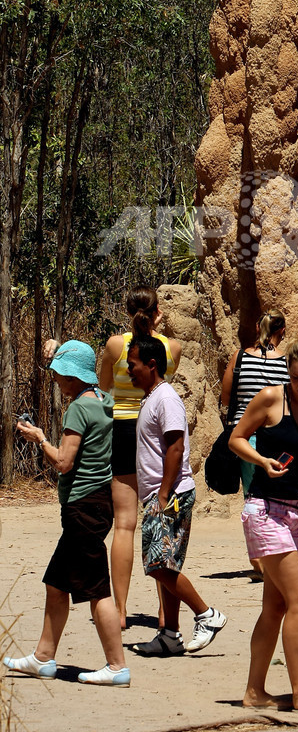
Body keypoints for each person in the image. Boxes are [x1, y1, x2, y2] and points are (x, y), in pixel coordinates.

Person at [44, 286, 182, 630]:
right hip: (153, 429)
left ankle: (119, 610)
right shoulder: (171, 347)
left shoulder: (115, 346)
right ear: (157, 311)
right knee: (159, 523)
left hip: (121, 432)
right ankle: (166, 613)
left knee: (124, 523)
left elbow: (104, 390)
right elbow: (162, 382)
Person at [3, 341, 130, 687]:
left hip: (83, 507)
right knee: (56, 585)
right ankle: (43, 658)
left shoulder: (77, 409)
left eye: (60, 374)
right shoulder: (104, 401)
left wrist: (39, 437)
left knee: (97, 590)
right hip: (98, 502)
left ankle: (117, 666)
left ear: (75, 375)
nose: (57, 379)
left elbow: (63, 462)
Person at [229, 333, 298, 713]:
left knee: (276, 607)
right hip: (264, 510)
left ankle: (254, 693)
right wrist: (261, 461)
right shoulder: (270, 398)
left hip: (296, 512)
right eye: (296, 377)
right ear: (288, 371)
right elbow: (236, 439)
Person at [126, 336, 226, 656]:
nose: (129, 372)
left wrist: (163, 494)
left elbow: (176, 447)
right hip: (163, 494)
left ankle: (207, 615)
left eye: (133, 365)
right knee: (166, 566)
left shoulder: (166, 398)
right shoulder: (152, 397)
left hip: (171, 496)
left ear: (151, 365)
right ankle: (170, 635)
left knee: (158, 566)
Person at [221, 309, 289, 498]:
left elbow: (226, 398)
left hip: (245, 437)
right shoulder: (288, 362)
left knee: (253, 497)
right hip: (277, 434)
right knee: (277, 497)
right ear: (282, 331)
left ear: (257, 327)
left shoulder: (239, 357)